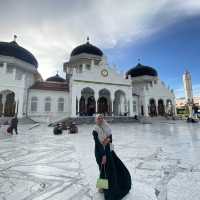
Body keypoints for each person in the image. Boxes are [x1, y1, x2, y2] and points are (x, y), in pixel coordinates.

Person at [92, 114, 131, 200]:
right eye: (98, 118)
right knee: (102, 168)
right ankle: (102, 187)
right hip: (100, 152)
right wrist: (103, 155)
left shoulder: (106, 127)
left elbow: (110, 139)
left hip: (109, 151)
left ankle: (106, 186)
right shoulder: (95, 130)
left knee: (112, 168)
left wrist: (106, 142)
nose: (100, 120)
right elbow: (98, 144)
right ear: (96, 120)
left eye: (101, 118)